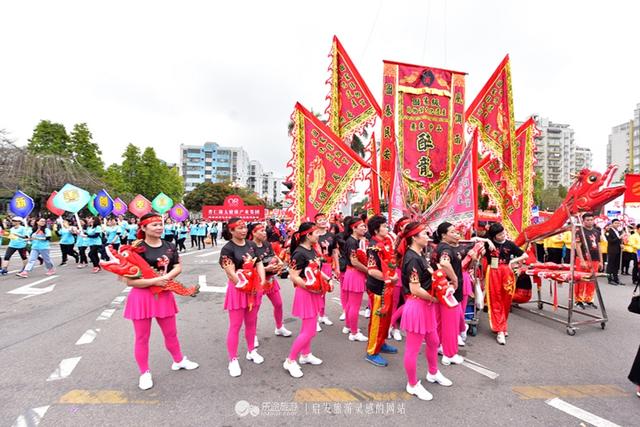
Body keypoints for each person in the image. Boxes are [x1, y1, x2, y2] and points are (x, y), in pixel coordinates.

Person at [121, 212, 198, 390]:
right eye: (154, 224)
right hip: (142, 297)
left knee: (171, 333)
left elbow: (177, 266)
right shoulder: (135, 248)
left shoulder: (170, 246)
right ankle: (144, 372)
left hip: (164, 294)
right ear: (143, 227)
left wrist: (167, 278)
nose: (159, 227)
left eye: (160, 224)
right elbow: (129, 280)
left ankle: (178, 360)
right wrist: (154, 281)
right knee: (142, 338)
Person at [398, 221, 452, 401]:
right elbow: (415, 289)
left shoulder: (419, 255)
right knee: (412, 350)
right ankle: (412, 384)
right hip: (417, 305)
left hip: (426, 305)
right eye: (424, 234)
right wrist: (434, 298)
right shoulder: (412, 258)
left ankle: (433, 372)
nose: (428, 237)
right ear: (414, 237)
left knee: (434, 341)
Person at [219, 217, 266, 377]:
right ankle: (233, 359)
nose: (244, 230)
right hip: (238, 290)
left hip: (253, 289)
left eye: (245, 227)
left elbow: (259, 263)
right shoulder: (227, 249)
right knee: (236, 325)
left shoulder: (251, 245)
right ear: (231, 231)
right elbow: (230, 272)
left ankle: (251, 351)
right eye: (239, 228)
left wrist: (261, 280)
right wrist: (244, 285)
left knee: (252, 322)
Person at [283, 222, 327, 378]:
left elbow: (315, 270)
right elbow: (293, 276)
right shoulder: (299, 253)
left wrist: (326, 279)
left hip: (314, 292)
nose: (319, 235)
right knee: (309, 330)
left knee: (308, 329)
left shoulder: (312, 250)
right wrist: (310, 287)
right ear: (308, 235)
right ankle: (290, 360)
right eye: (316, 233)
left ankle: (306, 354)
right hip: (306, 293)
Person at [433, 222, 474, 365]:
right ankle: (449, 354)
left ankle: (439, 346)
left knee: (440, 322)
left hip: (441, 290)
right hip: (449, 290)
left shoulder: (444, 247)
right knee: (451, 323)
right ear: (444, 235)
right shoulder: (445, 249)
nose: (455, 233)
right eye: (451, 231)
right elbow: (444, 263)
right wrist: (455, 278)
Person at [364, 215, 398, 367]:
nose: (387, 229)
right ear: (376, 229)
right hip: (378, 289)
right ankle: (372, 352)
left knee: (385, 318)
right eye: (384, 226)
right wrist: (389, 278)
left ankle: (381, 342)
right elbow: (372, 271)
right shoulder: (373, 247)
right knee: (377, 320)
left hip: (386, 288)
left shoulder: (384, 243)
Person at [485, 223, 528, 345]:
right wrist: (487, 241)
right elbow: (474, 240)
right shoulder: (487, 243)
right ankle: (500, 330)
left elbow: (525, 255)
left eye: (503, 233)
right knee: (495, 300)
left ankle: (502, 324)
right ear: (494, 236)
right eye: (500, 234)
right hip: (493, 272)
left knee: (506, 300)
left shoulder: (509, 244)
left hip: (506, 273)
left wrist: (512, 262)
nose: (503, 235)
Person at [249, 223, 292, 338]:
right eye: (261, 230)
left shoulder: (267, 244)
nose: (264, 233)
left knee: (278, 304)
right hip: (257, 281)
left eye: (264, 230)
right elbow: (248, 266)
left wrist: (280, 262)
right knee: (254, 310)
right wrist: (265, 268)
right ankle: (252, 336)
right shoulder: (249, 247)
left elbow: (273, 255)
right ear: (253, 232)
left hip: (270, 279)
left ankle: (279, 327)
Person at [341, 217, 369, 342]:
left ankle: (348, 326)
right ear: (354, 228)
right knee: (354, 305)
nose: (364, 228)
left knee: (350, 304)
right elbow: (354, 261)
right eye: (362, 226)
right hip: (355, 274)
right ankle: (354, 332)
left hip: (351, 273)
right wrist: (369, 271)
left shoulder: (353, 240)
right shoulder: (352, 242)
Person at [314, 213, 339, 330]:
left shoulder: (331, 236)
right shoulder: (313, 236)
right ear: (316, 223)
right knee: (316, 292)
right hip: (316, 266)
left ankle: (322, 315)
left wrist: (337, 267)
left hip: (328, 265)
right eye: (320, 220)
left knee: (323, 291)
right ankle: (314, 319)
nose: (323, 221)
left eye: (324, 219)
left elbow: (334, 252)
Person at [574, 213, 603, 309]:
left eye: (591, 219)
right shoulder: (579, 231)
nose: (590, 221)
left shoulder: (597, 232)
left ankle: (589, 299)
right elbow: (578, 246)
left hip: (595, 259)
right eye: (587, 220)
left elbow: (599, 246)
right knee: (581, 280)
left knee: (592, 280)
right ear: (583, 221)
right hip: (583, 259)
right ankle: (578, 300)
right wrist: (582, 260)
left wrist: (601, 261)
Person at [605, 219, 623, 285]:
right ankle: (610, 279)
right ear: (612, 224)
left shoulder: (618, 231)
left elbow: (618, 241)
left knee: (616, 265)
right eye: (615, 223)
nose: (617, 224)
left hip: (618, 250)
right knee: (610, 265)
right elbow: (610, 241)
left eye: (618, 223)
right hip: (612, 250)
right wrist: (619, 237)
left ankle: (616, 279)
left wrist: (621, 244)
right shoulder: (609, 231)